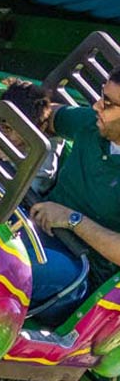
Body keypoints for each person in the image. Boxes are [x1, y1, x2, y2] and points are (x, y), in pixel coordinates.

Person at [26, 69, 120, 323]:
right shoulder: (92, 123)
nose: (97, 105)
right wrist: (23, 135)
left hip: (82, 269)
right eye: (102, 95)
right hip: (35, 223)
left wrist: (72, 219)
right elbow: (45, 114)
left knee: (14, 268)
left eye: (109, 103)